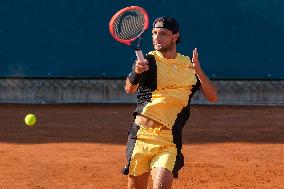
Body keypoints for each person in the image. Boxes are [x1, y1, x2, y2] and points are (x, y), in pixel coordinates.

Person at [121, 16, 218, 189]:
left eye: (163, 34)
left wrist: (199, 71)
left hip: (168, 139)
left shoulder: (188, 65)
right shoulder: (148, 61)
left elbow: (213, 96)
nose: (157, 38)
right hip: (141, 136)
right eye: (154, 33)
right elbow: (129, 89)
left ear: (175, 36)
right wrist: (136, 72)